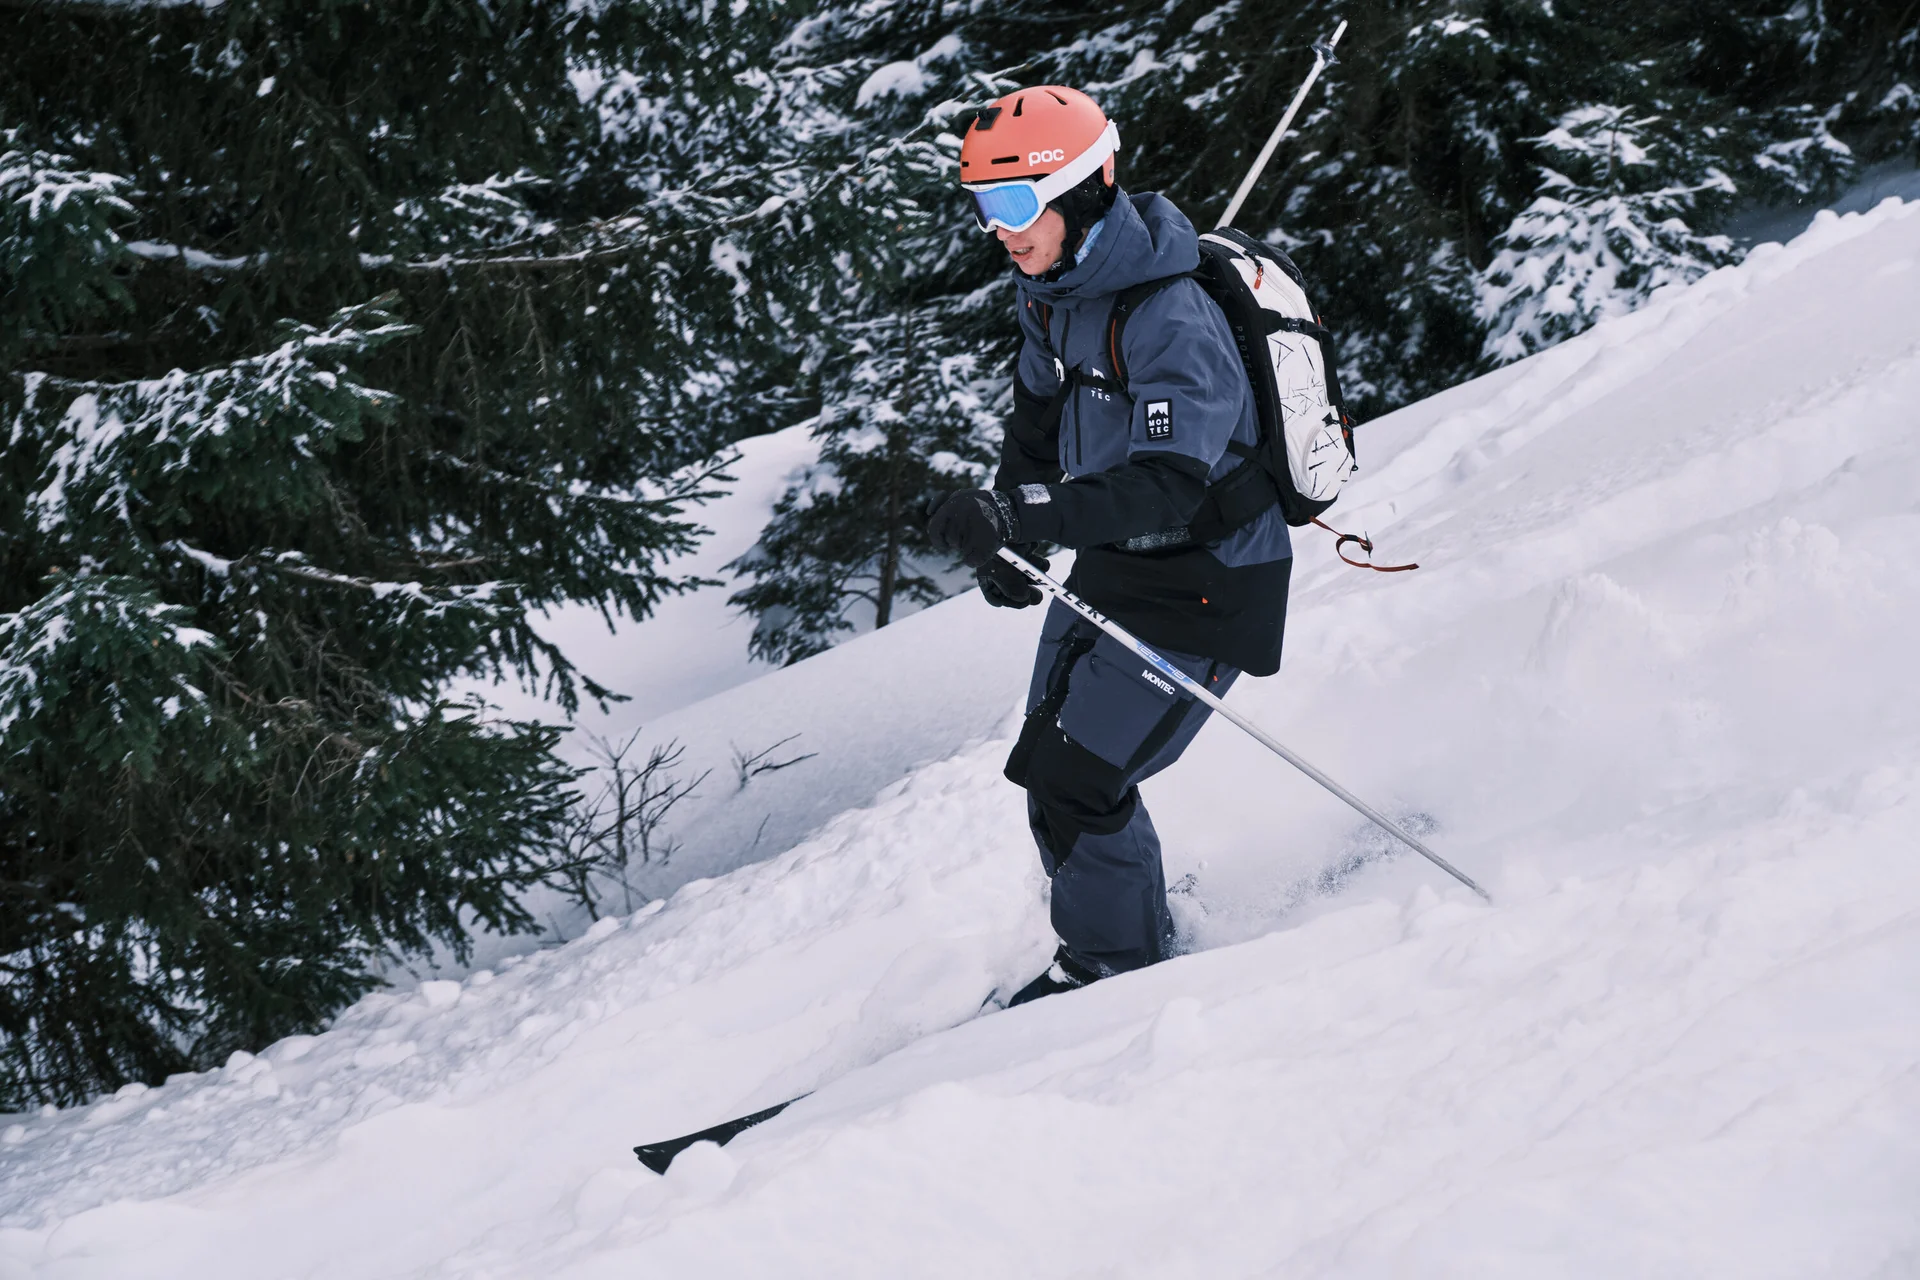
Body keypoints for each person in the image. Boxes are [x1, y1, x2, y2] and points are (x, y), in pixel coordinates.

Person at [927, 86, 1293, 1006]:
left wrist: (1026, 517)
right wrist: (1015, 538)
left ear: (1084, 190)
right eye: (983, 205)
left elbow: (1170, 482)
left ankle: (1115, 977)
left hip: (1208, 579)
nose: (1000, 229)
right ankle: (1112, 941)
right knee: (1046, 768)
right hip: (1117, 560)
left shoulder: (1171, 316)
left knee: (1079, 779)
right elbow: (1036, 423)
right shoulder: (1050, 294)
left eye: (1016, 203)